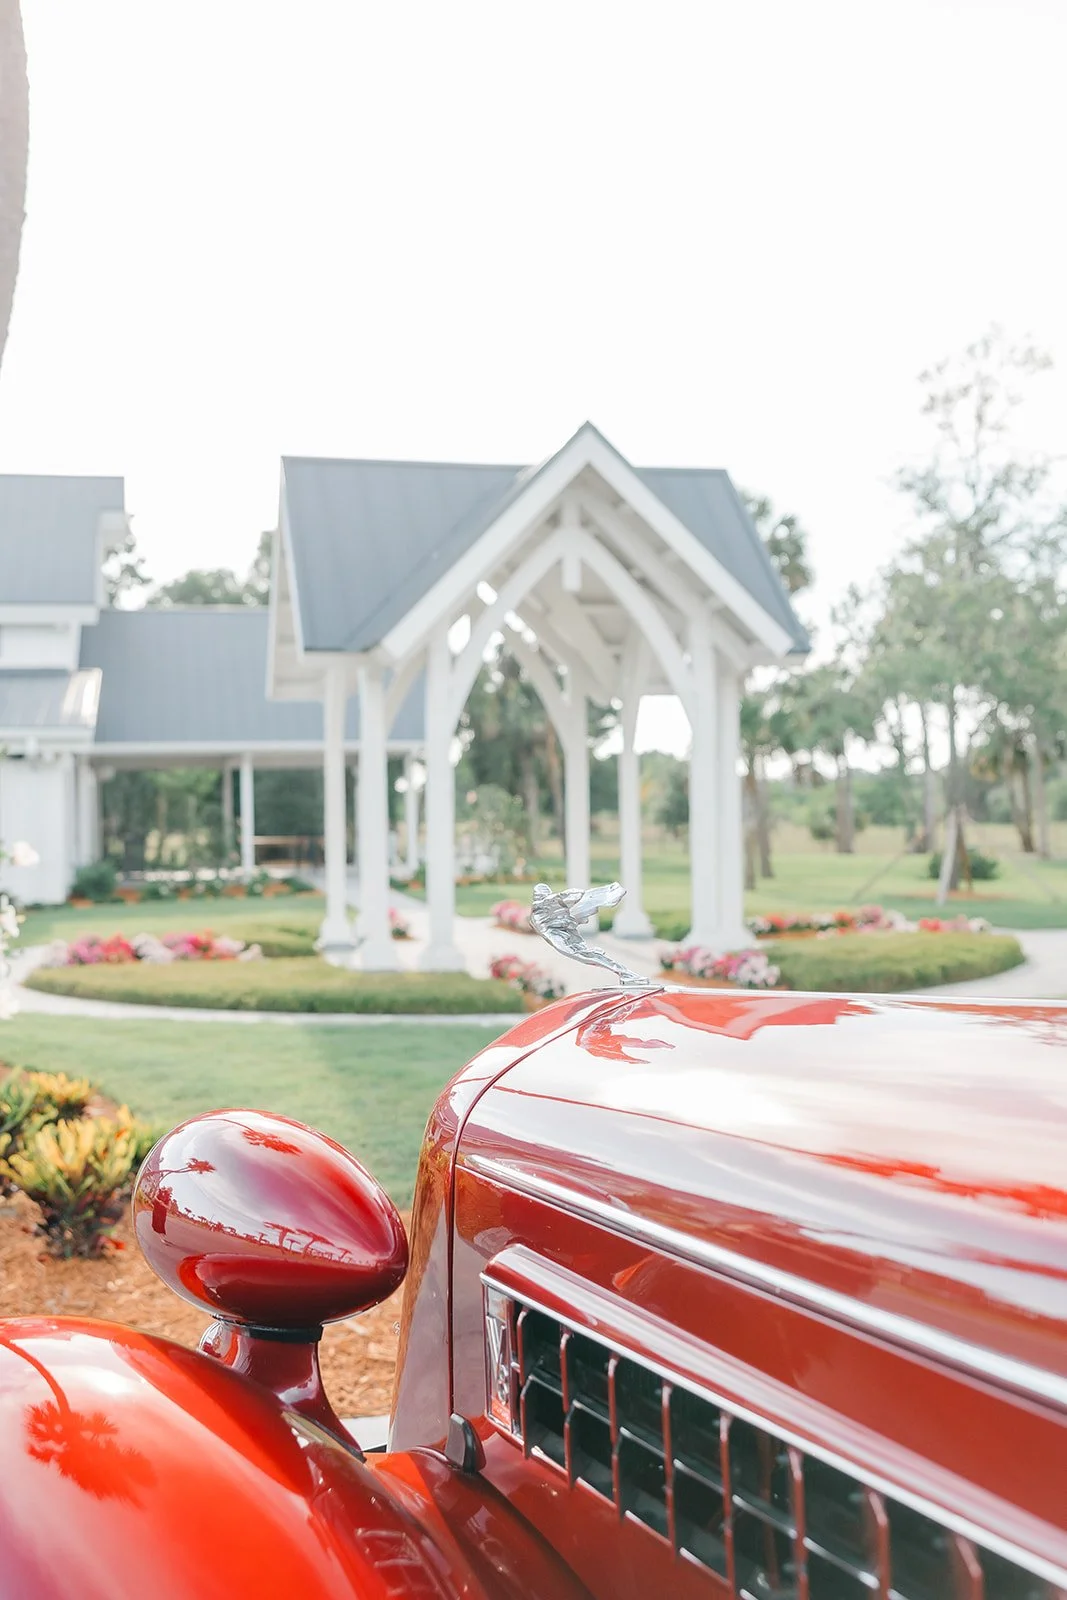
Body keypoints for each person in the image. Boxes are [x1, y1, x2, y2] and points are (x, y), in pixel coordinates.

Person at [529, 881, 647, 985]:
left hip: (562, 936)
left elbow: (566, 897)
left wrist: (586, 896)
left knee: (585, 955)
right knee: (586, 955)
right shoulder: (540, 910)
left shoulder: (547, 904)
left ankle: (626, 973)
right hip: (561, 936)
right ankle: (625, 973)